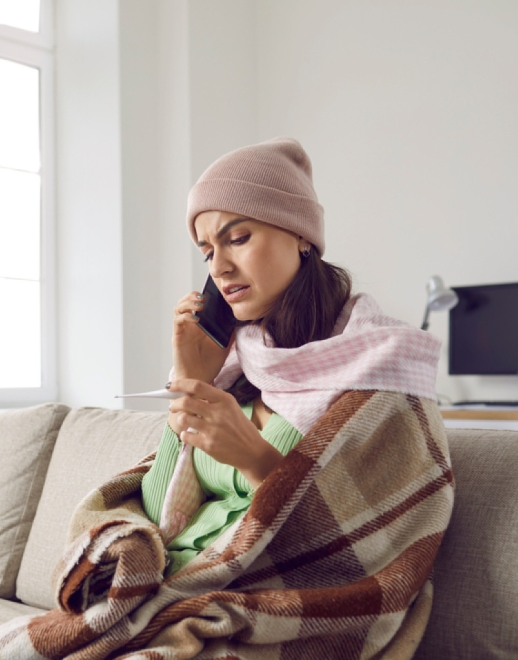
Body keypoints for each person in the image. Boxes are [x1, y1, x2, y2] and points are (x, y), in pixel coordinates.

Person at [141, 137, 441, 576]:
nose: (218, 268)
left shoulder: (380, 365)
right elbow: (159, 518)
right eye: (207, 252)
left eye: (237, 238)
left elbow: (363, 548)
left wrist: (256, 459)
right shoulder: (232, 366)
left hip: (268, 597)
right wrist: (190, 383)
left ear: (301, 234)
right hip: (173, 581)